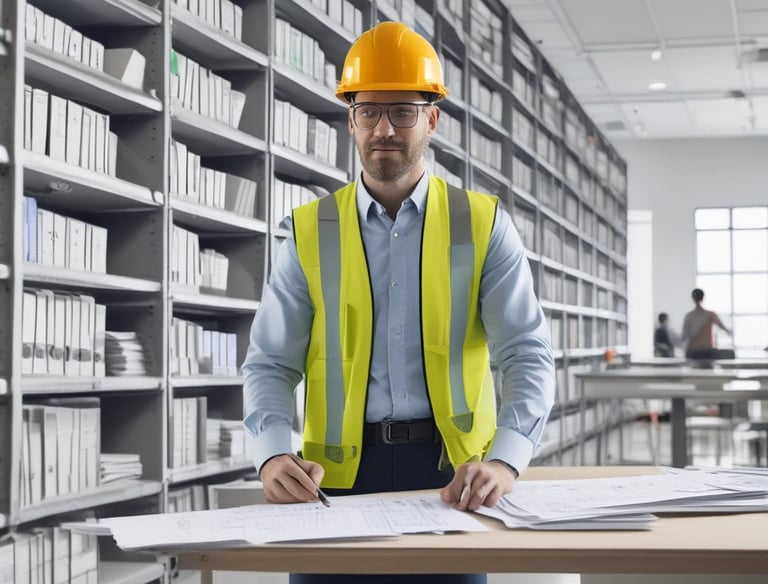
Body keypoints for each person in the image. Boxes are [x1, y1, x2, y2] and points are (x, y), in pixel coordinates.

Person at [242, 21, 556, 584]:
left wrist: (506, 462)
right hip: (332, 481)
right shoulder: (308, 230)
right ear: (351, 119)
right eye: (369, 111)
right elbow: (270, 362)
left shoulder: (483, 224)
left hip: (451, 477)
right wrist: (270, 454)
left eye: (403, 111)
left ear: (432, 118)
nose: (384, 128)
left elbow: (527, 355)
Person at [681, 288, 732, 360]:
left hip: (693, 351)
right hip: (707, 351)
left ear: (692, 298)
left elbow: (684, 336)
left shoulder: (689, 316)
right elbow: (723, 327)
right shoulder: (710, 315)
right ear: (703, 297)